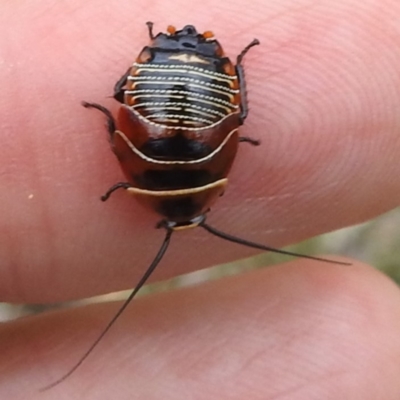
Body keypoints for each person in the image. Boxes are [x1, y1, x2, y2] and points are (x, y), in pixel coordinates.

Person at [1, 1, 400, 398]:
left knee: (219, 115)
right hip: (176, 87)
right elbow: (120, 135)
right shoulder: (138, 185)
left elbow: (228, 127)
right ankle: (227, 62)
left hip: (192, 91)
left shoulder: (210, 179)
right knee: (122, 97)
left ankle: (218, 62)